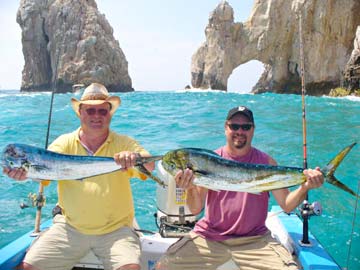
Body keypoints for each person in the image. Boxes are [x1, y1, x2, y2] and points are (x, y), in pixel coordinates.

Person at [3, 83, 155, 270]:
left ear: (110, 114)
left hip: (116, 230)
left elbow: (150, 164)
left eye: (102, 111)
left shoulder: (124, 142)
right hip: (69, 228)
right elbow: (43, 173)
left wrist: (135, 157)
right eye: (90, 111)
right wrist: (23, 176)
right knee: (27, 268)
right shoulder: (64, 143)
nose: (97, 116)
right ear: (80, 113)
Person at [156, 106, 324, 270]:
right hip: (210, 237)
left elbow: (287, 205)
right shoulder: (207, 160)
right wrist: (190, 188)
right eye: (234, 126)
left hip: (255, 241)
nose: (240, 131)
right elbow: (194, 208)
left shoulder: (267, 162)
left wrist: (306, 186)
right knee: (163, 267)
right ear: (225, 128)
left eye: (246, 127)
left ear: (253, 130)